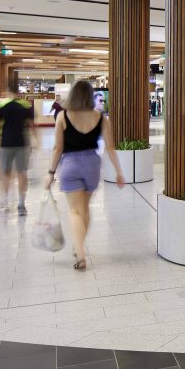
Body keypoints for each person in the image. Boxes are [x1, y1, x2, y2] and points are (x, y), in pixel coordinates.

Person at [45, 80, 125, 270]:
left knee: (74, 211)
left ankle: (80, 254)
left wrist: (50, 173)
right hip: (92, 164)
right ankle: (78, 246)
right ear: (90, 96)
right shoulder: (100, 118)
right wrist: (119, 172)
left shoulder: (63, 116)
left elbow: (57, 148)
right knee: (85, 209)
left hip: (70, 165)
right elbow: (110, 147)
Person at [0, 90, 36, 216]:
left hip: (6, 143)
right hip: (22, 143)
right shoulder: (25, 106)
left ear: (8, 92)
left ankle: (5, 202)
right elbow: (31, 125)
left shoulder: (2, 106)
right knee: (22, 173)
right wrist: (35, 141)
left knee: (6, 173)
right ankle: (21, 204)